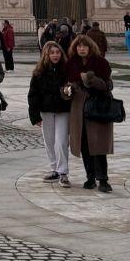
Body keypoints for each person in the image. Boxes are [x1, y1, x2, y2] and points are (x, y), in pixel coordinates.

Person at [65, 34, 114, 192]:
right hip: (79, 109)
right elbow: (66, 86)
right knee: (85, 145)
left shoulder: (101, 63)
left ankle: (103, 179)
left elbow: (108, 85)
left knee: (99, 145)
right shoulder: (71, 64)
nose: (81, 49)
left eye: (84, 46)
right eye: (78, 46)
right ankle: (90, 177)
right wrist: (67, 91)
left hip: (97, 108)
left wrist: (91, 80)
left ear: (90, 47)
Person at [27, 40, 72, 185]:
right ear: (46, 54)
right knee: (49, 141)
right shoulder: (39, 72)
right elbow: (33, 94)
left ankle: (63, 171)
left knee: (61, 141)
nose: (55, 55)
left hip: (63, 110)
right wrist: (34, 115)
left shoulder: (67, 70)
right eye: (52, 53)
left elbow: (73, 88)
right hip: (46, 110)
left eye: (58, 52)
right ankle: (54, 168)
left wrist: (68, 91)